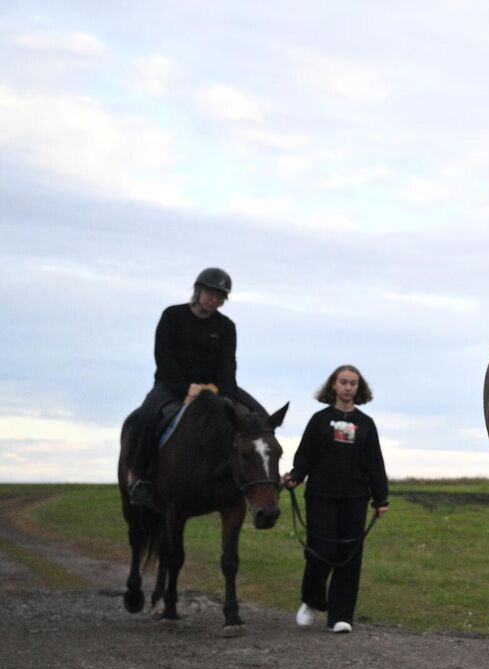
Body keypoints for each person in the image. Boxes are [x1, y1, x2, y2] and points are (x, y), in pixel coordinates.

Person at [126, 267, 268, 511]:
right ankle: (137, 477)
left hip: (215, 387)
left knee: (262, 417)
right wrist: (184, 387)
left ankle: (255, 481)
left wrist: (215, 388)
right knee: (145, 416)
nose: (214, 300)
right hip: (171, 385)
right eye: (210, 294)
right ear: (198, 291)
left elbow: (228, 364)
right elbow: (164, 357)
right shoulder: (172, 316)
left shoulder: (226, 327)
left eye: (220, 297)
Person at [284, 365, 390, 634]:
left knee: (348, 556)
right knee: (320, 552)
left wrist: (381, 498)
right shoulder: (319, 420)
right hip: (321, 495)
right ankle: (311, 600)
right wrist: (296, 476)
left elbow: (375, 463)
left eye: (353, 383)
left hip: (354, 497)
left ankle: (341, 616)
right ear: (333, 385)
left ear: (358, 388)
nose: (347, 387)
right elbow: (305, 455)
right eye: (343, 382)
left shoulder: (366, 424)